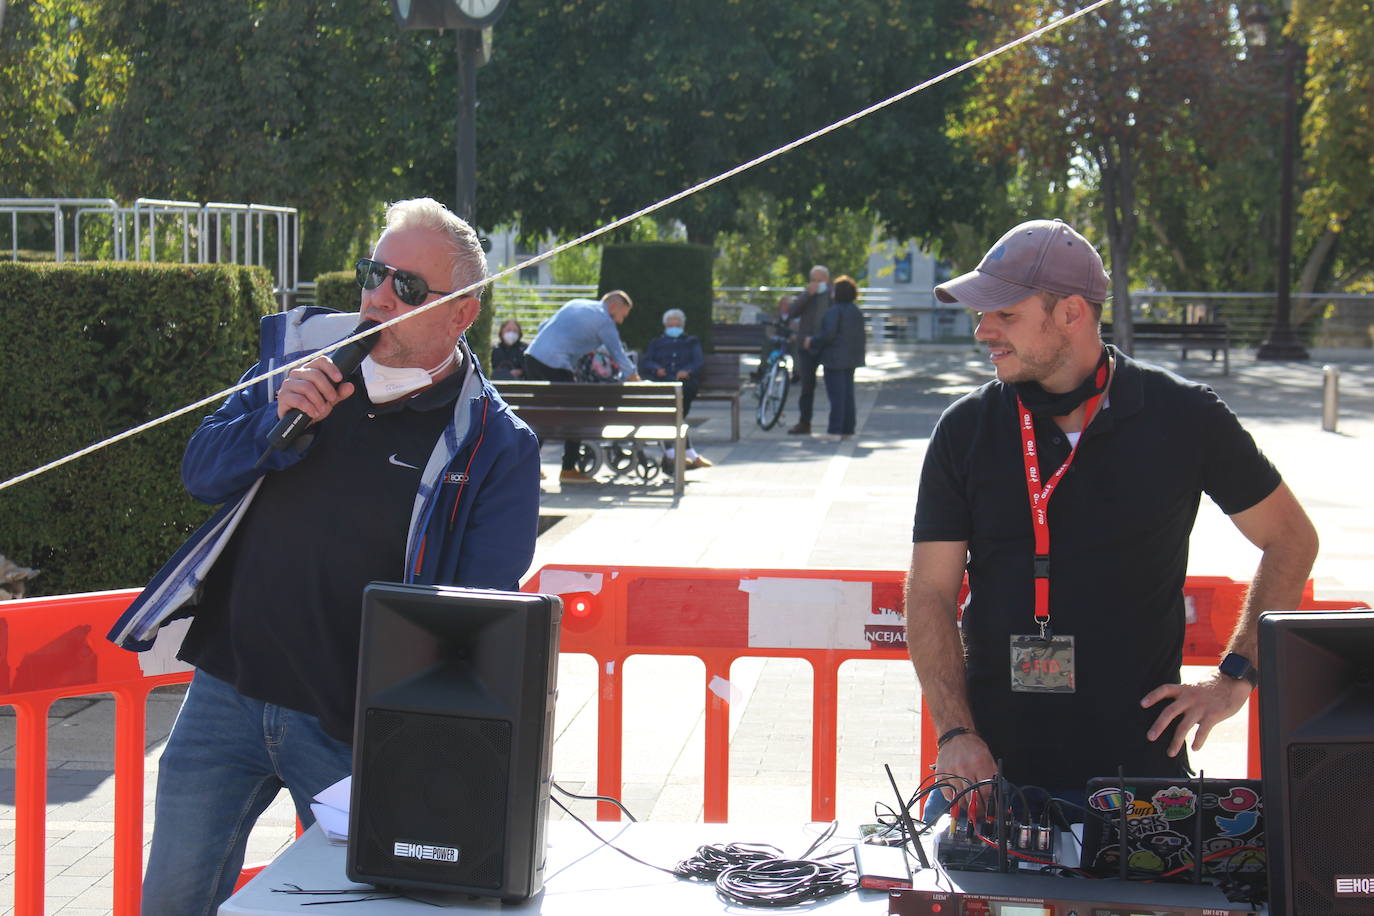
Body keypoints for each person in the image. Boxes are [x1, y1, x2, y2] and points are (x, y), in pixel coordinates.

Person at [106, 197, 542, 914]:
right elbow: (199, 474)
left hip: (350, 729)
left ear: (461, 314)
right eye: (374, 273)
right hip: (226, 696)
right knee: (173, 900)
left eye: (405, 286)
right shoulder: (296, 365)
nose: (376, 296)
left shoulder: (495, 441)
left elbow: (480, 606)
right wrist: (274, 417)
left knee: (362, 907)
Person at [906, 218, 1317, 820]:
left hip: (1140, 781)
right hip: (991, 772)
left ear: (1071, 313)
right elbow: (930, 592)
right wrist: (954, 733)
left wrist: (1234, 679)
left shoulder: (1184, 415)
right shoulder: (964, 429)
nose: (982, 330)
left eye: (1005, 315)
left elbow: (1291, 540)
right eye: (981, 314)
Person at [524, 291, 641, 484]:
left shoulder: (575, 303)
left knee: (542, 414)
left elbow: (543, 326)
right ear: (614, 306)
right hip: (554, 364)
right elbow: (618, 354)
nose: (621, 321)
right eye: (623, 314)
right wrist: (634, 377)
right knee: (577, 414)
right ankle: (568, 469)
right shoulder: (605, 321)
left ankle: (528, 468)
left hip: (532, 358)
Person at [640, 307, 711, 470]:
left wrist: (687, 371)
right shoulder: (656, 342)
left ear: (682, 325)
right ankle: (683, 453)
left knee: (676, 416)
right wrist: (656, 368)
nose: (674, 327)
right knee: (673, 417)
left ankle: (678, 453)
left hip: (684, 385)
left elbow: (697, 362)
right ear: (665, 325)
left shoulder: (691, 341)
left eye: (677, 324)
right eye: (670, 324)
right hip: (662, 384)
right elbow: (647, 361)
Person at [806, 275, 866, 437]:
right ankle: (848, 428)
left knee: (836, 397)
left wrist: (812, 341)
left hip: (834, 359)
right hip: (851, 359)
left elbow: (828, 335)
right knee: (848, 395)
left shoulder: (834, 311)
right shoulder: (856, 311)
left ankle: (835, 429)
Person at [786, 265, 831, 435]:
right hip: (806, 346)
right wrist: (807, 294)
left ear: (827, 280)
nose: (816, 283)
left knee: (832, 385)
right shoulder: (807, 295)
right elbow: (792, 311)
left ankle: (835, 423)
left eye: (820, 280)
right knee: (807, 386)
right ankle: (804, 423)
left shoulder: (832, 294)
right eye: (813, 280)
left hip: (827, 345)